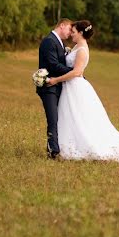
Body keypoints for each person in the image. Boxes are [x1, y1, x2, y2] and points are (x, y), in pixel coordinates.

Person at [46, 20, 119, 164]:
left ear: (80, 33)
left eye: (74, 32)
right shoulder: (77, 46)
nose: (71, 33)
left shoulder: (83, 50)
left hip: (75, 86)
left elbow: (77, 72)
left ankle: (84, 147)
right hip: (69, 87)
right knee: (69, 116)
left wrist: (56, 80)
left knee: (79, 118)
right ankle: (66, 147)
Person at [36, 19, 74, 159]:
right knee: (53, 119)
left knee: (58, 118)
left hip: (57, 86)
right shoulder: (49, 41)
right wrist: (74, 72)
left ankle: (53, 148)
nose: (70, 33)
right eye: (69, 29)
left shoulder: (59, 42)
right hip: (49, 87)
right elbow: (53, 65)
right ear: (62, 25)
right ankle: (53, 151)